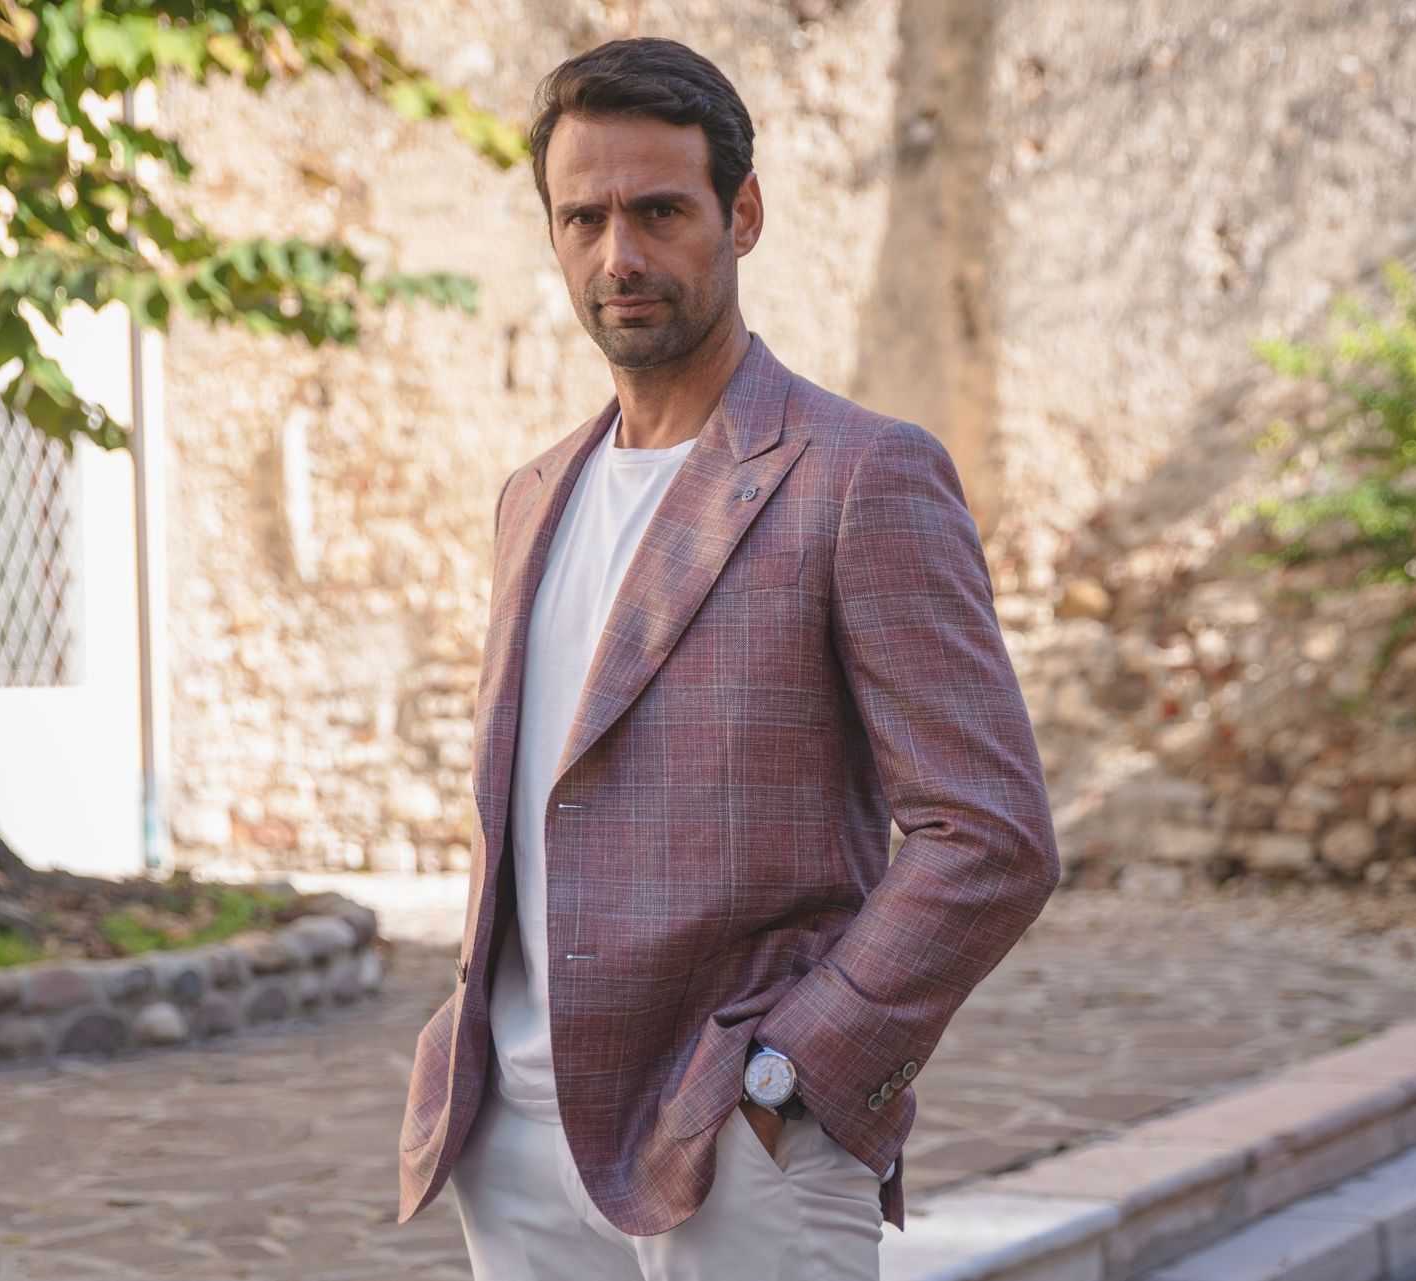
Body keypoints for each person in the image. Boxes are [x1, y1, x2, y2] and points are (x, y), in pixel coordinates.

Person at [396, 35, 1060, 1281]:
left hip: (736, 1138)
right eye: (583, 218)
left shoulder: (860, 475)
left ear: (741, 215)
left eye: (659, 211)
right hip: (515, 1135)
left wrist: (795, 1074)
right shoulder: (532, 496)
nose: (619, 256)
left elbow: (991, 835)